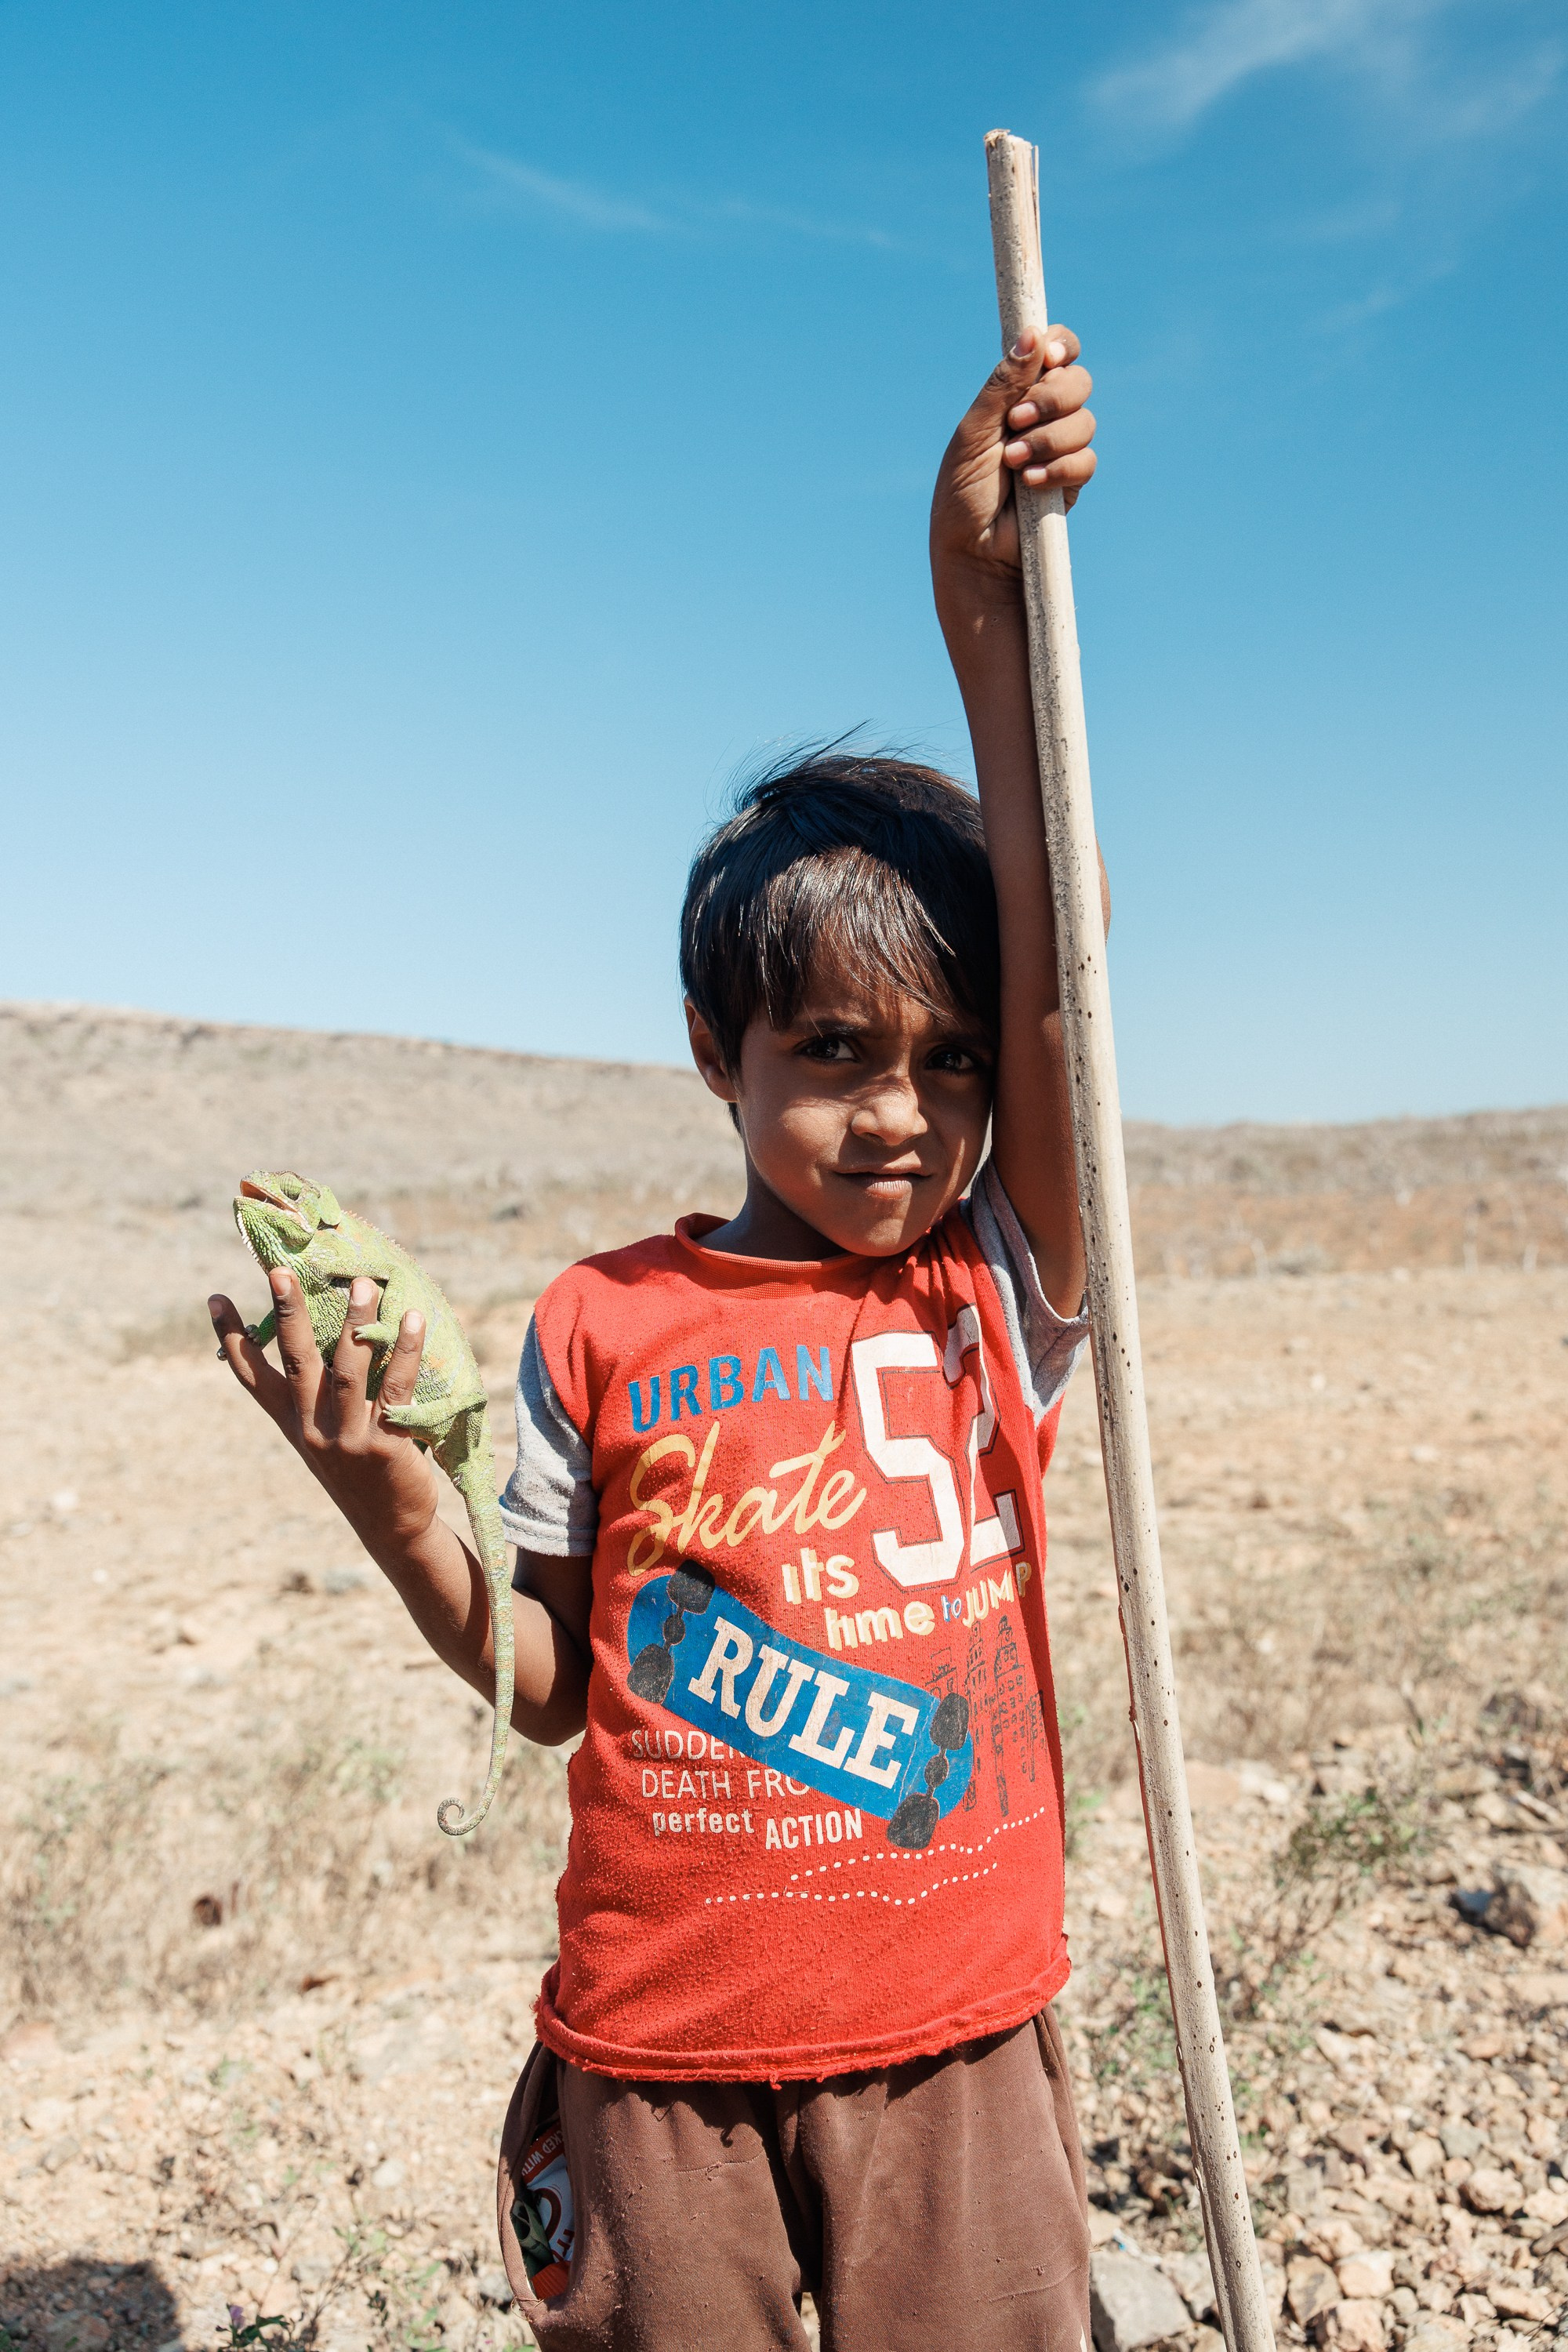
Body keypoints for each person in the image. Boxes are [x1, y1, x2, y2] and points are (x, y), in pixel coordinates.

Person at [210, 321, 1102, 2351]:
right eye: (837, 1052)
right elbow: (541, 1681)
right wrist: (386, 1506)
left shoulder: (992, 1278)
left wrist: (980, 609)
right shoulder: (604, 1323)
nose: (904, 1108)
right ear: (717, 1052)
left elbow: (1065, 979)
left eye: (948, 1059)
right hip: (659, 2061)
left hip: (951, 2042)